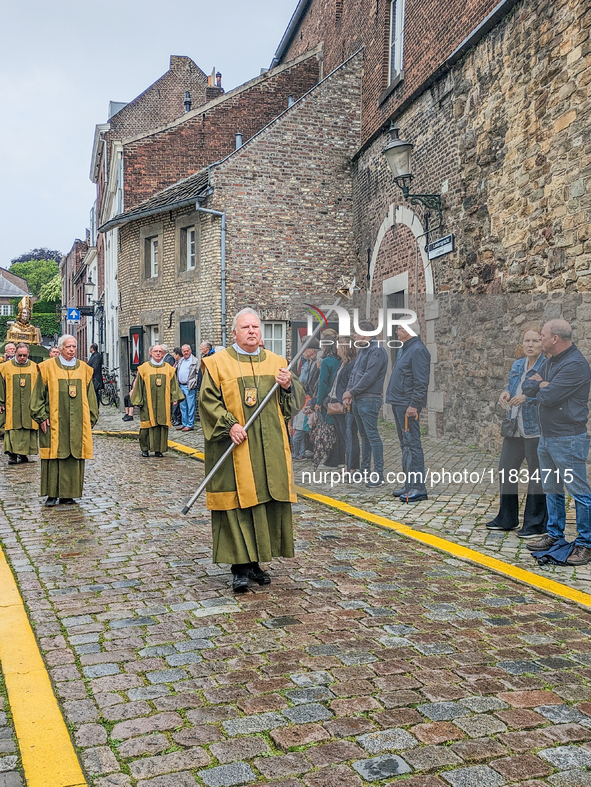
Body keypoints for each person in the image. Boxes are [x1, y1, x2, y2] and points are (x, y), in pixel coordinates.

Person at [200, 308, 305, 593]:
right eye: (245, 327)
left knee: (264, 502)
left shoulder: (278, 363)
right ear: (234, 333)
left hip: (268, 448)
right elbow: (208, 402)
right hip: (234, 447)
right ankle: (240, 567)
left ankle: (257, 562)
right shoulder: (216, 363)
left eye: (255, 327)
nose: (251, 331)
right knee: (236, 504)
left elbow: (293, 404)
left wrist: (286, 387)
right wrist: (229, 425)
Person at [523, 319, 591, 565]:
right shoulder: (552, 361)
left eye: (542, 335)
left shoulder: (575, 365)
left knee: (579, 492)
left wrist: (542, 385)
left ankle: (585, 544)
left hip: (568, 437)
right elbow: (527, 384)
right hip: (548, 436)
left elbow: (549, 397)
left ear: (555, 339)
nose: (539, 339)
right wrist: (542, 382)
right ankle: (554, 534)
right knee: (552, 488)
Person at [485, 328, 547, 537]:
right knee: (506, 468)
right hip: (514, 425)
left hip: (535, 428)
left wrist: (528, 399)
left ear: (543, 342)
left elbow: (551, 394)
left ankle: (535, 523)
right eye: (527, 341)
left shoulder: (547, 366)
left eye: (535, 341)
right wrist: (506, 393)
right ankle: (507, 518)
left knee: (536, 475)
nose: (530, 345)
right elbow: (512, 387)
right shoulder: (518, 365)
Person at [30, 334, 98, 507]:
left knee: (74, 456)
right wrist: (41, 416)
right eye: (68, 347)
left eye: (74, 346)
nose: (72, 350)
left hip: (77, 423)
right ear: (60, 348)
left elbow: (91, 398)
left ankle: (70, 494)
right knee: (54, 457)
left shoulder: (84, 369)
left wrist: (89, 419)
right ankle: (52, 494)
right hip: (53, 423)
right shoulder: (46, 368)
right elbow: (38, 396)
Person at [385, 322, 431, 503]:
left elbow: (421, 381)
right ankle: (409, 484)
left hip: (407, 405)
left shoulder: (418, 350)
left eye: (400, 329)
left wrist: (414, 404)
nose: (396, 331)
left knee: (412, 444)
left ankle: (419, 488)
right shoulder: (405, 349)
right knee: (405, 445)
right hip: (399, 402)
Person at [342, 321, 388, 488]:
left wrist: (351, 392)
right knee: (364, 436)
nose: (354, 336)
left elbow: (369, 376)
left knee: (372, 436)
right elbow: (355, 373)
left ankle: (379, 474)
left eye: (356, 333)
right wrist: (349, 392)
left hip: (369, 399)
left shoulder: (377, 351)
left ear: (364, 333)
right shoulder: (363, 350)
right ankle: (365, 469)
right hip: (358, 399)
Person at [131, 344, 183, 457]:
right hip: (147, 403)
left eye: (160, 351)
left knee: (161, 425)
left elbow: (173, 384)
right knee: (146, 426)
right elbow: (139, 386)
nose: (158, 353)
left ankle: (159, 449)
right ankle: (145, 448)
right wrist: (138, 400)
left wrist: (175, 398)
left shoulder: (169, 369)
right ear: (151, 353)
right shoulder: (144, 368)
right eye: (156, 351)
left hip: (163, 403)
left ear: (164, 354)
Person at [0, 343, 39, 464]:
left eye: (25, 355)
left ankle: (24, 454)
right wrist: (1, 401)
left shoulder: (35, 367)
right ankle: (12, 454)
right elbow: (1, 386)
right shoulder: (5, 367)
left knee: (27, 429)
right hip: (12, 405)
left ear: (28, 354)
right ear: (15, 354)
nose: (22, 357)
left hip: (29, 405)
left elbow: (39, 388)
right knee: (13, 429)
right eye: (20, 355)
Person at [312, 338, 342, 469]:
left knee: (328, 430)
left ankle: (332, 460)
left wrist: (318, 402)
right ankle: (341, 459)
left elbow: (323, 384)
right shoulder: (340, 360)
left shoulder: (327, 362)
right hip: (339, 399)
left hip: (328, 401)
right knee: (339, 430)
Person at [333, 340, 360, 473]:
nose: (336, 349)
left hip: (344, 403)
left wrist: (346, 397)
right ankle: (347, 464)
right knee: (344, 436)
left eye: (339, 346)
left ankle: (353, 466)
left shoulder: (352, 365)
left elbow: (350, 383)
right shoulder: (342, 364)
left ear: (344, 348)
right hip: (336, 402)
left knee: (350, 436)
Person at [176, 344, 199, 431]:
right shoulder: (181, 360)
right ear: (182, 352)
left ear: (190, 351)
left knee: (190, 406)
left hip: (189, 386)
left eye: (187, 351)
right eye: (184, 351)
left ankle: (190, 424)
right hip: (181, 385)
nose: (186, 352)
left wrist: (194, 383)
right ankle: (184, 423)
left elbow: (197, 373)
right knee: (183, 406)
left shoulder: (195, 361)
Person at [87, 343, 103, 408]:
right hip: (93, 377)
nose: (89, 349)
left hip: (96, 378)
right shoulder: (94, 356)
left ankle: (96, 407)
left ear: (92, 348)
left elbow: (94, 367)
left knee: (96, 394)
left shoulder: (97, 356)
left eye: (90, 348)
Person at [171, 347, 183, 426]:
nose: (174, 356)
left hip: (179, 383)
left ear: (178, 354)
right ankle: (175, 418)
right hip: (175, 383)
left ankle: (178, 419)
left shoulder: (180, 362)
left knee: (178, 403)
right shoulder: (176, 362)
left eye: (175, 354)